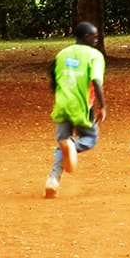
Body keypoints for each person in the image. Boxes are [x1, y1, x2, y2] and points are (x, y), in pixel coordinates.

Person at [45, 21, 106, 199]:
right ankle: (73, 144)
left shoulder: (63, 54)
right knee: (90, 139)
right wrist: (102, 106)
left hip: (62, 104)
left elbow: (53, 78)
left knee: (63, 145)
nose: (96, 39)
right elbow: (96, 81)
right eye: (94, 36)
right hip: (82, 106)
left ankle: (53, 180)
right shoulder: (94, 55)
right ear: (85, 37)